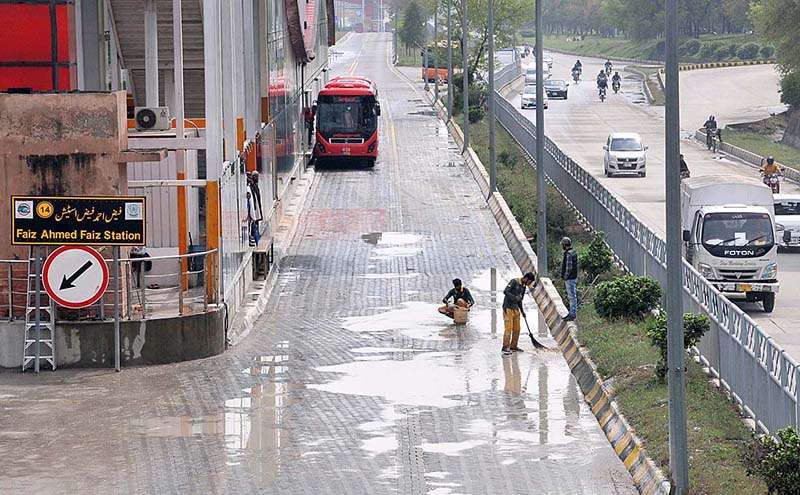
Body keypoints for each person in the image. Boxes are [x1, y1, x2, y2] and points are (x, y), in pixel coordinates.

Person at [502, 272, 536, 355]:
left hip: (516, 309)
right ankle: (505, 347)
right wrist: (514, 297)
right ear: (526, 279)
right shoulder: (514, 282)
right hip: (508, 308)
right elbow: (505, 291)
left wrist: (522, 311)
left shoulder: (523, 287)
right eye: (530, 282)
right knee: (508, 328)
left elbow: (520, 300)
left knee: (517, 329)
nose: (529, 284)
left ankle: (513, 346)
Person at [561, 237, 578, 322]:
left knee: (572, 296)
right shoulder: (573, 252)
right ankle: (572, 312)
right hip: (573, 277)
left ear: (564, 244)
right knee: (572, 296)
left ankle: (572, 314)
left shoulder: (568, 254)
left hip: (570, 278)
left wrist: (565, 277)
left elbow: (568, 268)